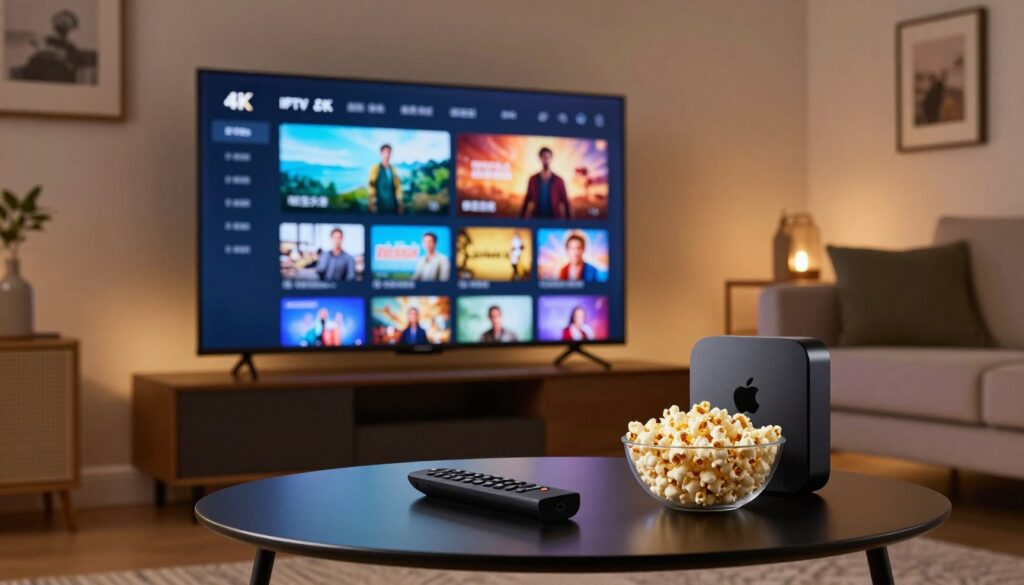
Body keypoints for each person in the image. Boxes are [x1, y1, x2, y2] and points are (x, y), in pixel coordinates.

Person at [520, 147, 571, 219]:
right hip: (536, 220)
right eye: (544, 157)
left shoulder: (559, 180)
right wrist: (520, 221)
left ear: (551, 159)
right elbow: (527, 200)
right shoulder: (533, 179)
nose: (546, 159)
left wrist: (569, 224)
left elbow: (566, 203)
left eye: (548, 157)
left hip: (554, 221)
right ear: (540, 159)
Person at [368, 144, 404, 214]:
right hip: (380, 205)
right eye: (385, 152)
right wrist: (372, 204)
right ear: (381, 153)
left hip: (393, 205)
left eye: (389, 152)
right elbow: (371, 186)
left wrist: (400, 203)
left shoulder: (394, 169)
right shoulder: (375, 169)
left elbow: (397, 187)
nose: (387, 154)